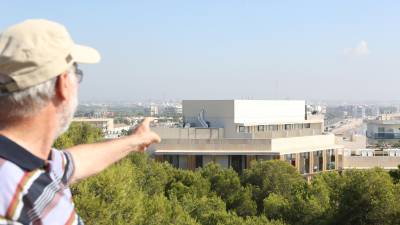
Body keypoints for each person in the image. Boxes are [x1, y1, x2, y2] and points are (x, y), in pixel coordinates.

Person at [0, 19, 161, 225]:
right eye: (76, 72)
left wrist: (135, 140)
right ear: (63, 84)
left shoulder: (27, 160)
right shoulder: (12, 199)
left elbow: (73, 163)